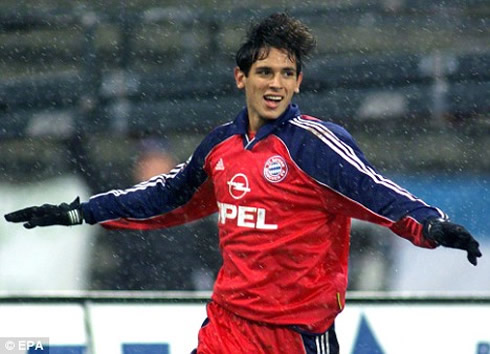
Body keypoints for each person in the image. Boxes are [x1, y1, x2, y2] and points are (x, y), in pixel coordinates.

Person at [4, 13, 482, 354]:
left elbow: (376, 192)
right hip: (229, 325)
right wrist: (80, 212)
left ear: (298, 82)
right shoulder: (220, 147)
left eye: (286, 73)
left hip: (297, 335)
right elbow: (165, 196)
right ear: (241, 77)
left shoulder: (316, 145)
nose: (275, 83)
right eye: (265, 72)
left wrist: (431, 225)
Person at [88, 138, 221, 290]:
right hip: (132, 296)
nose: (149, 168)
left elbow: (212, 259)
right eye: (145, 162)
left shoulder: (193, 205)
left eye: (157, 160)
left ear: (171, 164)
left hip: (181, 297)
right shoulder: (126, 208)